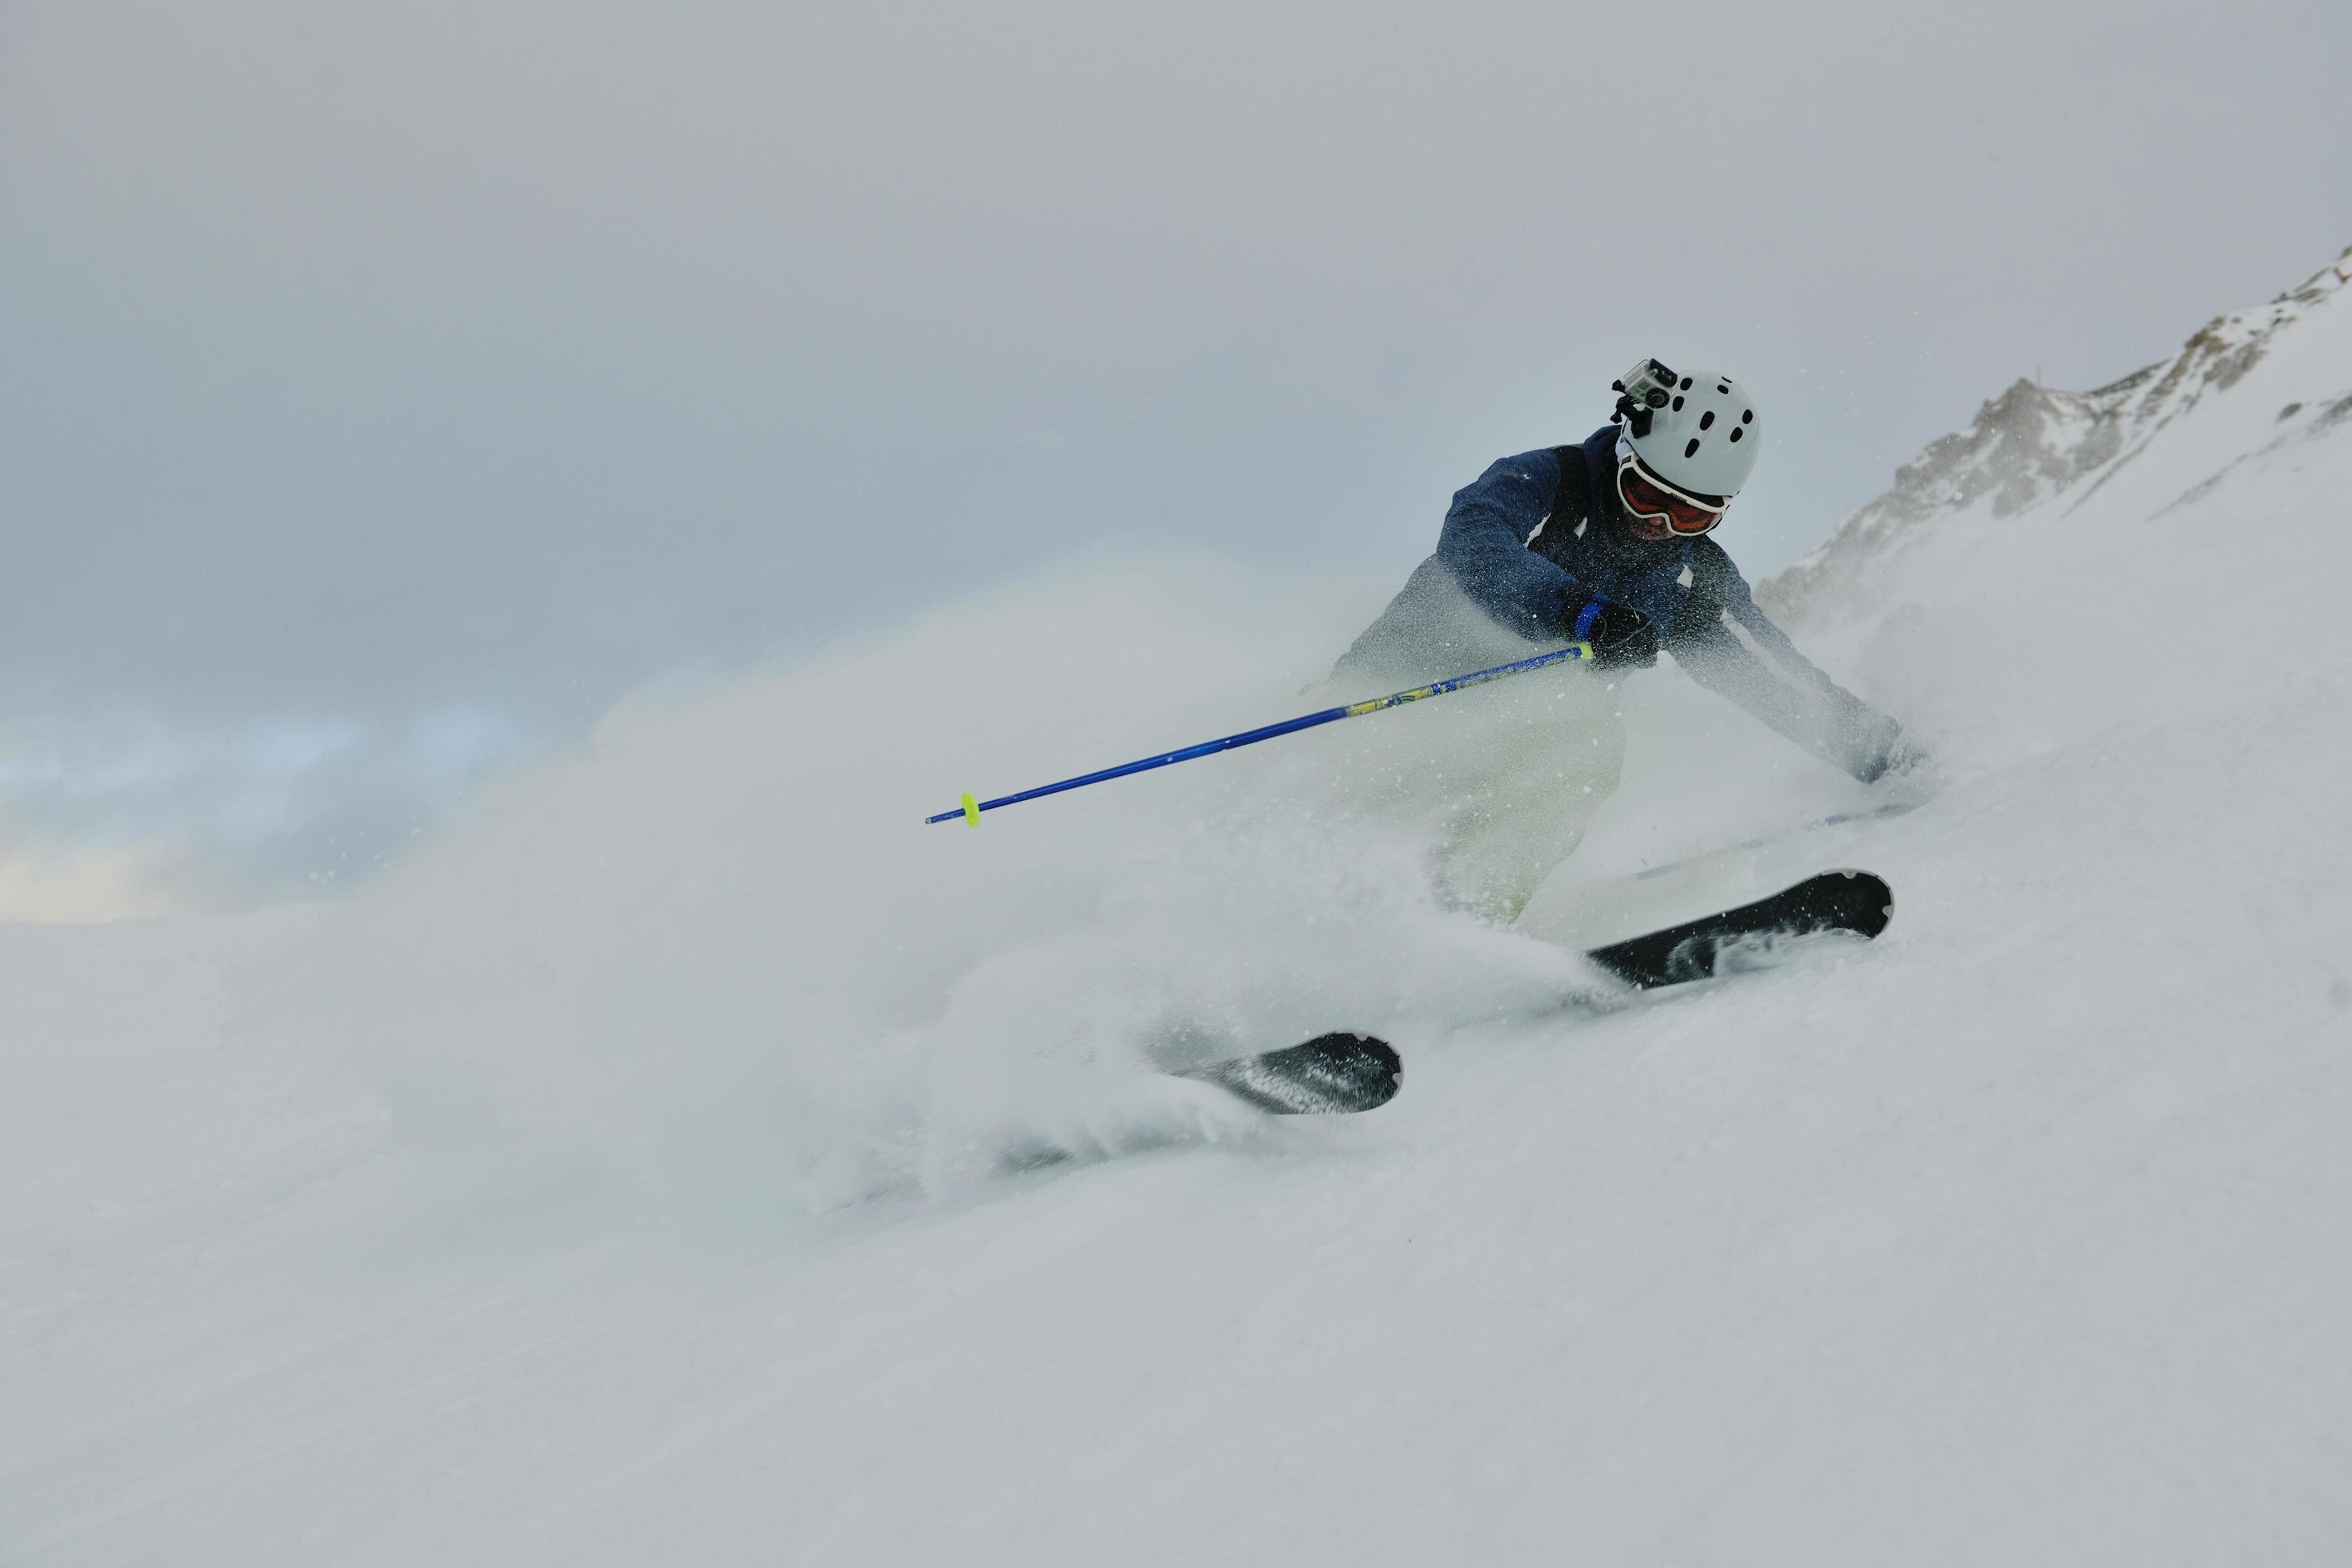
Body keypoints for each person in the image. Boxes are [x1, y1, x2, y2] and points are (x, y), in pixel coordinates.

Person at [1326, 358, 1913, 918]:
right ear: (1624, 457)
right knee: (1338, 816)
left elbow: (1766, 672)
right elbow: (1473, 537)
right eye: (1649, 497)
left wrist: (1879, 754)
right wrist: (1577, 610)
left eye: (1691, 517)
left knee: (1588, 753)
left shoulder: (1688, 580)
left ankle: (1471, 915)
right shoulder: (1549, 483)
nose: (1658, 526)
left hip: (1513, 735)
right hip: (1392, 692)